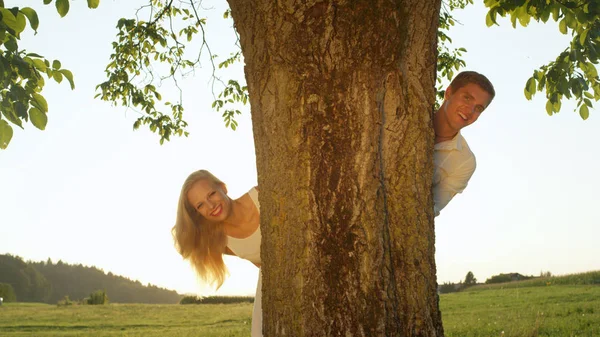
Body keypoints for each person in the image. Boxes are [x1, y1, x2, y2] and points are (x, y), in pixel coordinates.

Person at [172, 170, 262, 336]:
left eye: (211, 194)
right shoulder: (223, 243)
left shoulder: (261, 195)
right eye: (200, 205)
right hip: (274, 285)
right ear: (197, 213)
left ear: (223, 188)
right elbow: (263, 264)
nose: (211, 206)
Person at [433, 71, 495, 216]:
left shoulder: (465, 162)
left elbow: (429, 210)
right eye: (467, 98)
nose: (470, 110)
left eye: (479, 108)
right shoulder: (406, 117)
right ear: (448, 93)